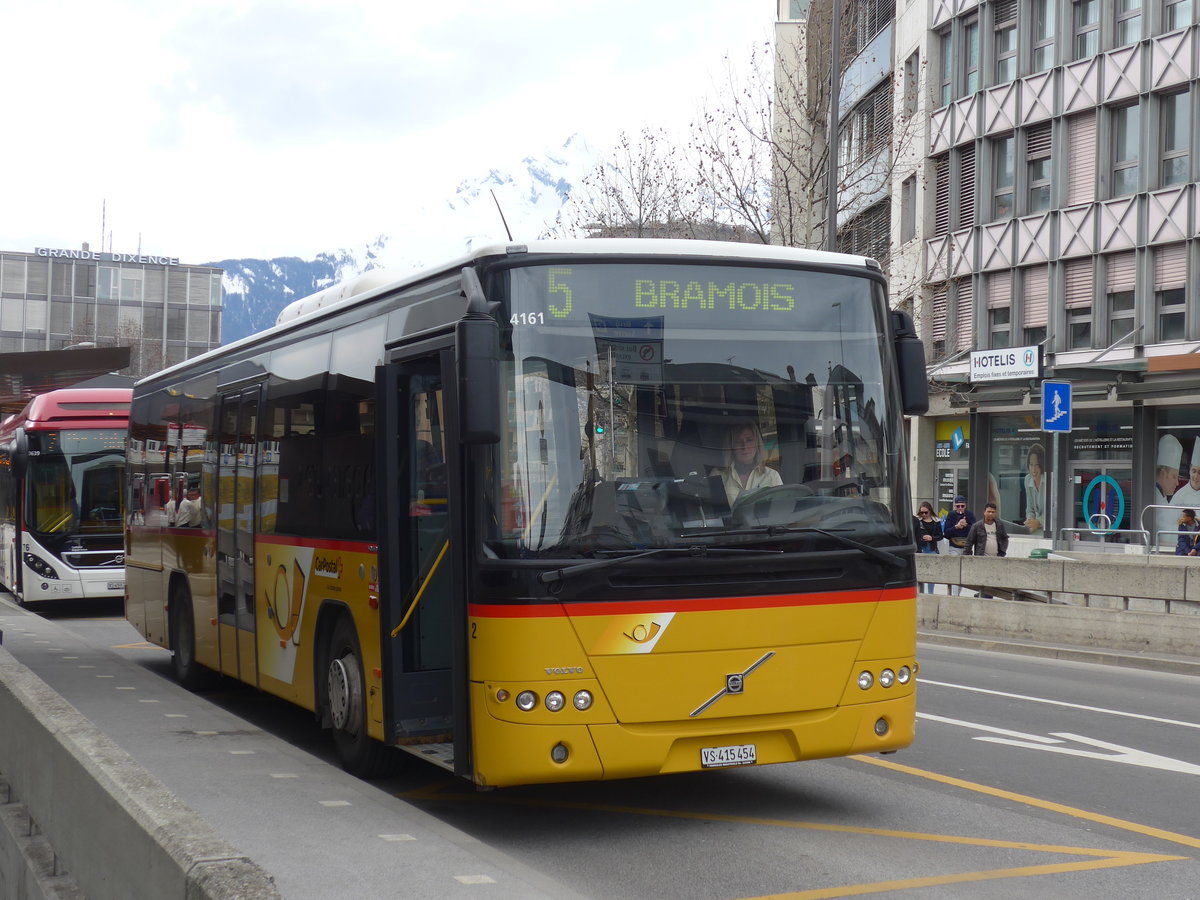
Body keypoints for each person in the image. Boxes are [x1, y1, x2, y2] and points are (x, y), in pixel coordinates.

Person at [718, 423, 782, 507]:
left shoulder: (772, 476)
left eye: (749, 440)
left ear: (757, 444)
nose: (744, 446)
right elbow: (713, 515)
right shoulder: (719, 475)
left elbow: (779, 510)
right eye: (738, 441)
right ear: (731, 446)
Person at [942, 495, 975, 596]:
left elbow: (975, 531)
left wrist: (966, 525)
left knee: (963, 573)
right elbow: (946, 533)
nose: (960, 508)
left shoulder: (970, 515)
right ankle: (955, 595)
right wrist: (956, 527)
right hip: (954, 546)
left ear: (965, 506)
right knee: (955, 571)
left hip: (966, 547)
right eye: (958, 506)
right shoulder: (951, 515)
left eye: (962, 506)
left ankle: (957, 595)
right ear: (954, 506)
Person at [1155, 434, 1183, 545]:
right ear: (1163, 474)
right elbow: (1165, 530)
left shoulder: (1162, 497)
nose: (1177, 482)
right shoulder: (1155, 499)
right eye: (1174, 476)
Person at [913, 501, 942, 594]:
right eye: (922, 512)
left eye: (926, 512)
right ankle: (920, 592)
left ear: (930, 511)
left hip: (932, 549)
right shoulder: (917, 521)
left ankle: (930, 593)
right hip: (920, 549)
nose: (924, 514)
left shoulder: (936, 522)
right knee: (920, 574)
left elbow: (940, 536)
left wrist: (932, 538)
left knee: (931, 574)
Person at [1172, 440, 1200, 510]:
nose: (1196, 476)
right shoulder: (1179, 496)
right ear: (1190, 470)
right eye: (1194, 471)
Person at [1023, 443, 1045, 533]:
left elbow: (1053, 510)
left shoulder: (1050, 479)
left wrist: (1038, 522)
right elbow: (1030, 509)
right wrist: (1030, 521)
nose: (1033, 469)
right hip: (1036, 528)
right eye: (1031, 465)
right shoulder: (1027, 479)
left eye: (1037, 465)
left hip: (1050, 528)